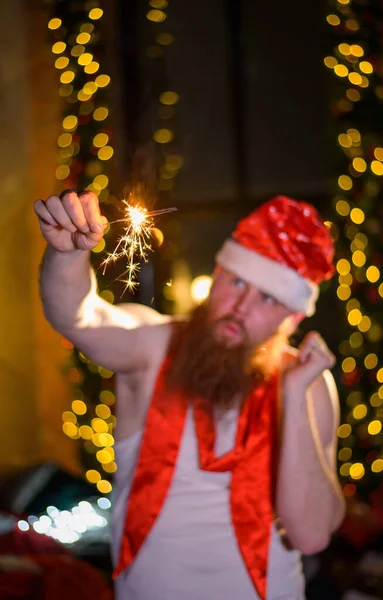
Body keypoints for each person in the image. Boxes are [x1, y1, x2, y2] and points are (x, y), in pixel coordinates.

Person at [35, 190, 346, 600]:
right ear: (217, 274)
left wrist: (294, 393)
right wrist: (67, 255)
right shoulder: (153, 344)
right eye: (237, 281)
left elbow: (310, 534)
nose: (241, 306)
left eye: (267, 298)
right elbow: (78, 316)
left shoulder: (306, 379)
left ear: (291, 318)